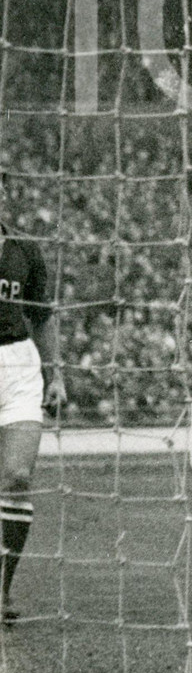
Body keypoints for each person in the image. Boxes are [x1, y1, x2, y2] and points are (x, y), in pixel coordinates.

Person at [0, 174, 66, 622]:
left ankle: (2, 592)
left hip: (18, 367)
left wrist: (55, 374)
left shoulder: (23, 250)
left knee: (18, 477)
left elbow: (42, 317)